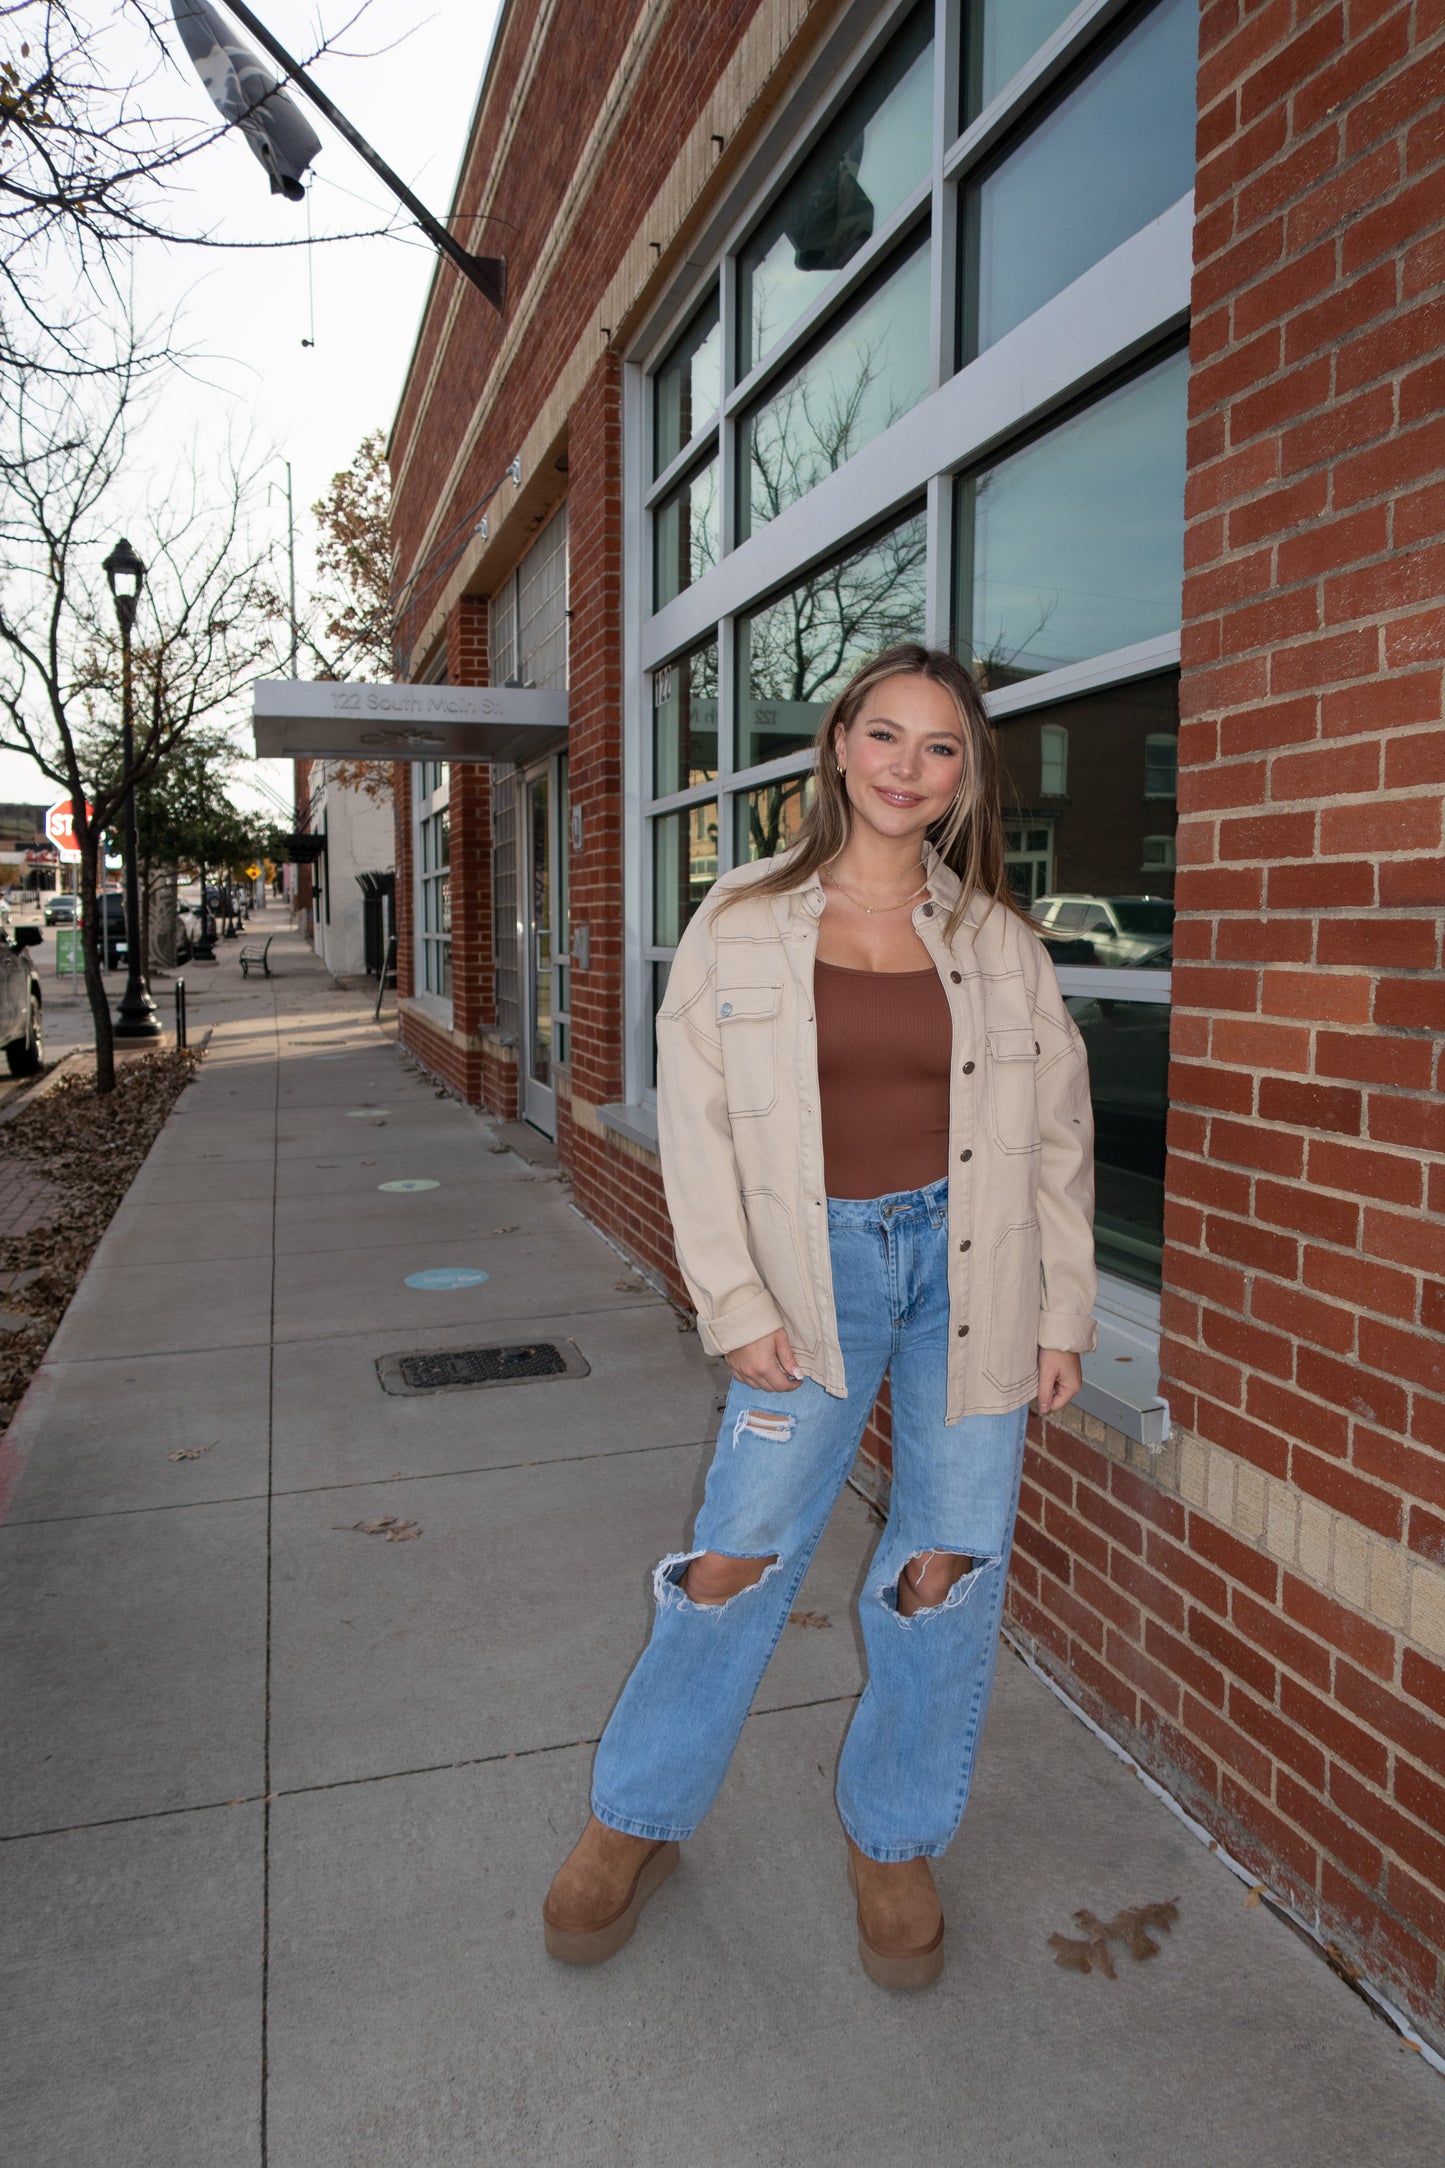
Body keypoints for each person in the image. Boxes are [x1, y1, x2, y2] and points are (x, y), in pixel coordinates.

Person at [544, 642, 1096, 1988]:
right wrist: (733, 1302)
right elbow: (705, 1130)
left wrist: (1061, 1316)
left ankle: (892, 1839)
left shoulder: (997, 942)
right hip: (811, 1276)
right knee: (737, 1555)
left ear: (965, 778)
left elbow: (1056, 1142)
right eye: (886, 736)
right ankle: (636, 1820)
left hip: (975, 1277)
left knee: (940, 1571)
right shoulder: (738, 919)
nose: (909, 766)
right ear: (839, 746)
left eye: (941, 747)